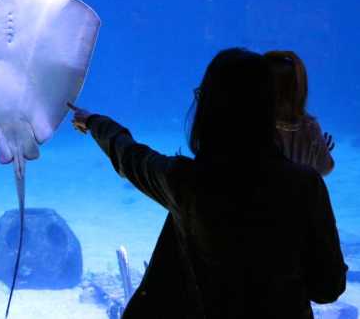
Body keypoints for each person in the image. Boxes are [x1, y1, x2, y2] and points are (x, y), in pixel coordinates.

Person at [68, 48, 347, 319]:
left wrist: (93, 121)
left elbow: (128, 155)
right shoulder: (305, 185)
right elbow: (328, 287)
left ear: (209, 110)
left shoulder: (184, 182)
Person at [263, 50, 335, 176]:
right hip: (300, 194)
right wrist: (319, 151)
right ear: (301, 89)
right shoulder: (310, 127)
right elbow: (326, 168)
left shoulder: (254, 124)